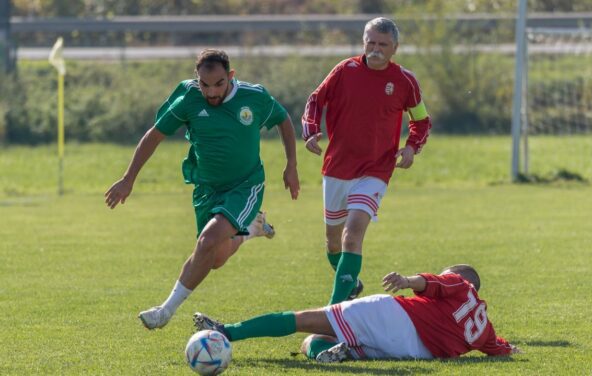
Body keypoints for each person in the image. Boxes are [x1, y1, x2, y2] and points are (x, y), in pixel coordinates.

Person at [105, 49, 300, 330]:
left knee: (208, 241)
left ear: (231, 76)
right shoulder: (189, 99)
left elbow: (282, 120)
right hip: (207, 189)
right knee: (215, 258)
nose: (211, 92)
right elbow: (154, 135)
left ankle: (165, 311)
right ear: (197, 79)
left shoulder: (253, 97)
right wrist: (128, 179)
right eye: (204, 85)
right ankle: (253, 230)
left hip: (245, 186)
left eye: (219, 84)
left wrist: (291, 165)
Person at [301, 17, 433, 304]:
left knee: (352, 235)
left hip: (376, 170)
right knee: (333, 242)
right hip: (337, 167)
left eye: (382, 44)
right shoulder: (344, 71)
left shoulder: (405, 81)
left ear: (395, 47)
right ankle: (350, 283)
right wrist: (310, 131)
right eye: (371, 42)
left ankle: (334, 313)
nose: (375, 48)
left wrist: (411, 147)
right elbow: (315, 100)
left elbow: (421, 121)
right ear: (364, 42)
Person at [193, 264, 520, 362]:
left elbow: (429, 283)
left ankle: (227, 331)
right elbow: (501, 348)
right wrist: (512, 349)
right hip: (413, 353)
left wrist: (406, 280)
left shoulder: (459, 284)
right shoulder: (484, 328)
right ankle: (331, 355)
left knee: (302, 319)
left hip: (392, 315)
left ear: (462, 278)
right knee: (311, 342)